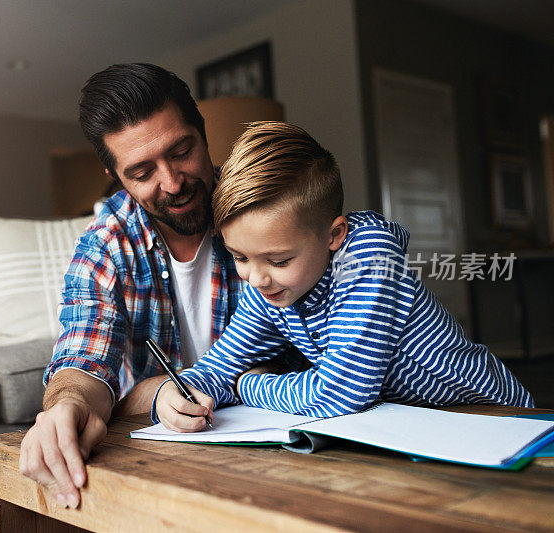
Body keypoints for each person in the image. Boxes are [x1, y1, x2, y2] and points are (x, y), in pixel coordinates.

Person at [155, 121, 533, 432]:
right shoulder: (268, 286)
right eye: (239, 257)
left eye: (280, 260)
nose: (256, 279)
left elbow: (338, 395)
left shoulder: (367, 256)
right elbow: (222, 364)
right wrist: (182, 392)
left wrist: (248, 384)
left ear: (334, 236)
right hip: (415, 427)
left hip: (490, 414)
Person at [18, 63, 256, 509]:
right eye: (143, 173)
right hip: (164, 462)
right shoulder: (106, 244)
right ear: (115, 175)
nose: (172, 183)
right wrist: (66, 406)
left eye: (182, 151)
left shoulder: (264, 208)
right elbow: (84, 363)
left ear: (203, 133)